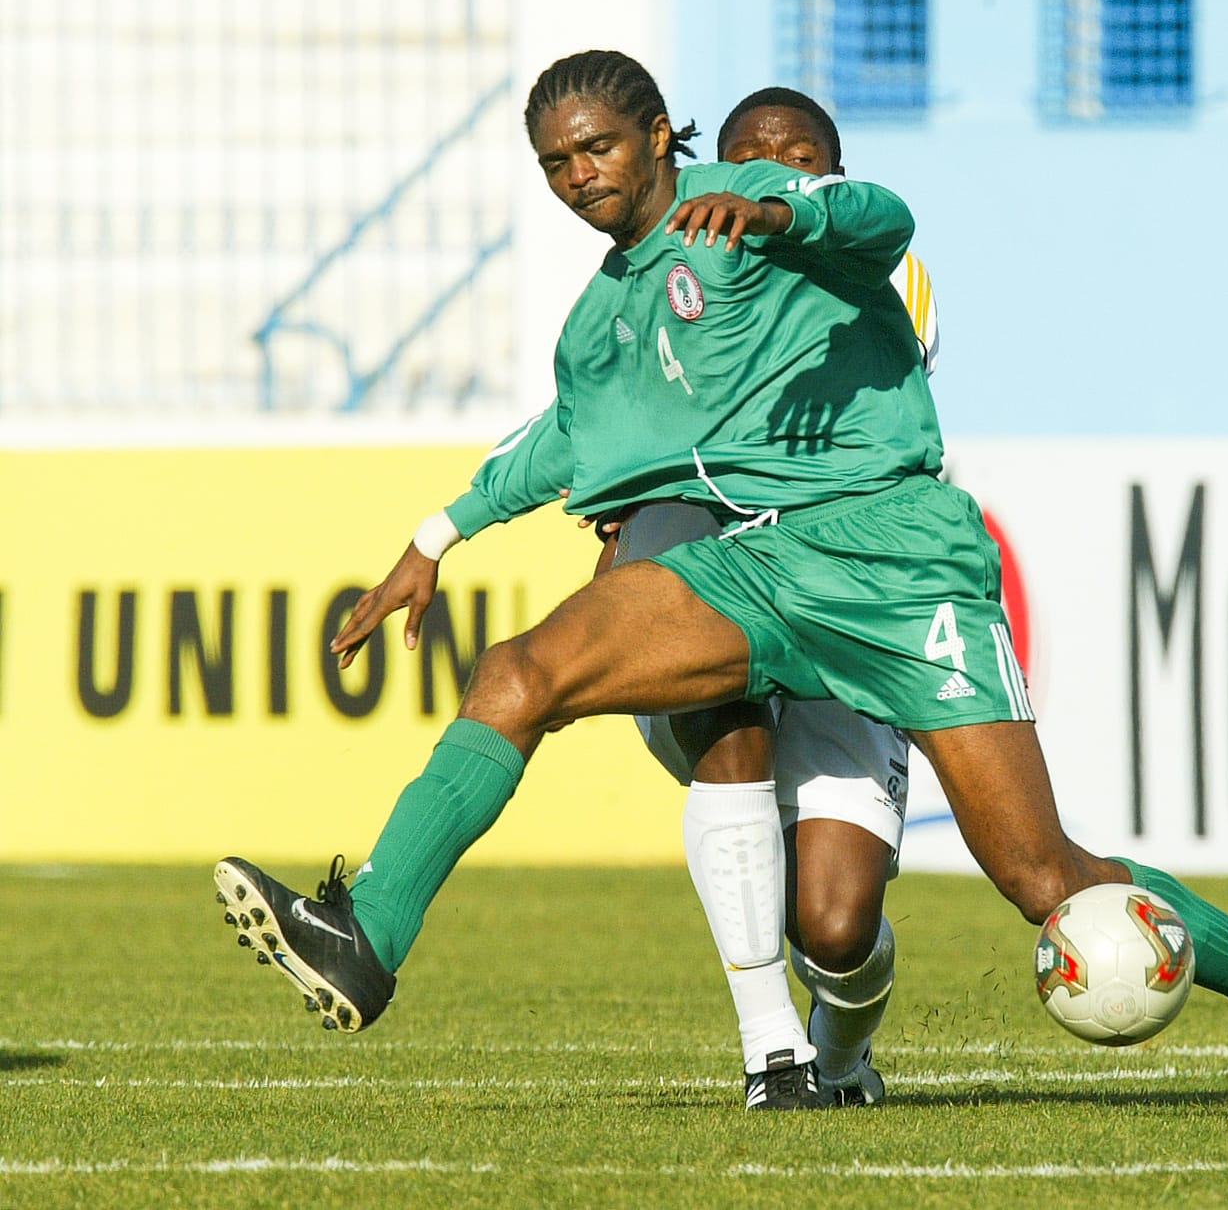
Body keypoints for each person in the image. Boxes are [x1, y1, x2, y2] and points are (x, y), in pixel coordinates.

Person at [214, 50, 1228, 1114]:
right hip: (757, 565)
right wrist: (435, 537)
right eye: (557, 163)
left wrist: (781, 205)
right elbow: (568, 438)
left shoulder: (780, 216)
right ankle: (368, 933)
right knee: (520, 671)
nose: (580, 176)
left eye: (598, 148)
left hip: (898, 562)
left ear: (660, 137)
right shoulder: (604, 313)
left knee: (1042, 875)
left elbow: (882, 217)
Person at [318, 86, 938, 1111]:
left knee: (835, 925)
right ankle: (773, 1053)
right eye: (752, 162)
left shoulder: (869, 269)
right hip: (730, 582)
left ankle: (839, 1054)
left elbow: (821, 324)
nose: (772, 177)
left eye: (798, 163)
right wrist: (439, 535)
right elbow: (576, 427)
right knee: (696, 706)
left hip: (845, 590)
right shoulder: (638, 288)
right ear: (709, 170)